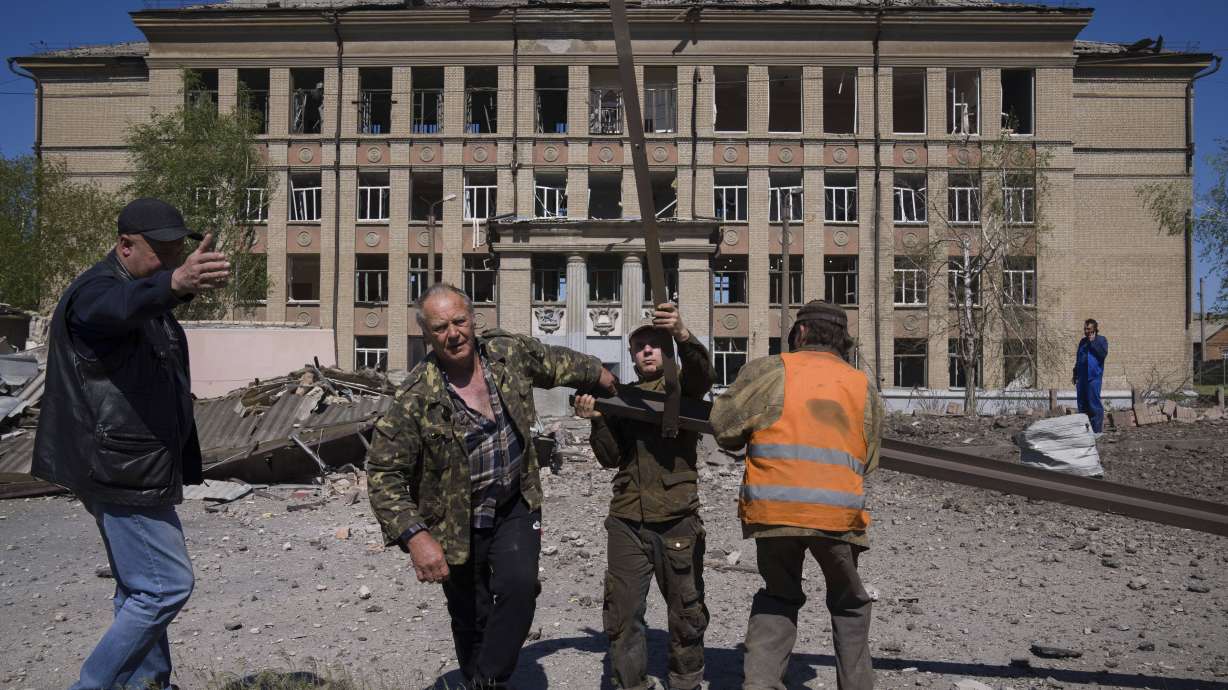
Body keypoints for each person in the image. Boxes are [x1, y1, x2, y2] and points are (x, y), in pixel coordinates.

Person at [366, 283, 617, 689]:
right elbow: (383, 474)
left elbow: (554, 362)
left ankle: (486, 680)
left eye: (459, 321)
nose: (453, 333)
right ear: (426, 334)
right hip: (455, 522)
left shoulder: (506, 355)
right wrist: (416, 537)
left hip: (514, 502)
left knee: (519, 587)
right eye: (440, 327)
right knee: (471, 615)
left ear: (473, 319)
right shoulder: (414, 398)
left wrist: (602, 375)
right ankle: (480, 678)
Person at [32, 197, 230, 690]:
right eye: (161, 251)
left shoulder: (142, 292)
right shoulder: (94, 293)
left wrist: (173, 287)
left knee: (138, 587)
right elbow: (117, 308)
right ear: (124, 245)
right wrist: (175, 283)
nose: (172, 259)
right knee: (165, 586)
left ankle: (148, 683)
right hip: (120, 468)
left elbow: (141, 309)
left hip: (136, 462)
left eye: (177, 250)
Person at [709, 300, 883, 690]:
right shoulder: (862, 385)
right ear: (842, 340)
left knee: (779, 596)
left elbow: (723, 426)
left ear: (801, 332)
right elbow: (869, 458)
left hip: (775, 511)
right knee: (849, 603)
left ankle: (761, 684)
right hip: (838, 515)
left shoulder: (771, 371)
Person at [573, 303, 714, 690]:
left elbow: (703, 373)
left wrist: (683, 334)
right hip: (626, 520)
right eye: (640, 346)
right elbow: (610, 458)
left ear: (667, 351)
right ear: (632, 355)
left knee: (686, 612)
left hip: (677, 518)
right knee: (622, 613)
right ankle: (630, 684)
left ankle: (685, 681)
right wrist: (597, 420)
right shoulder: (622, 398)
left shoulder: (682, 389)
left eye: (655, 344)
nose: (647, 350)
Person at [1072, 318, 1109, 433]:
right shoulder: (1082, 342)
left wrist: (1093, 342)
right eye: (1085, 329)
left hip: (1093, 377)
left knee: (1094, 405)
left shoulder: (1101, 340)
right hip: (1082, 378)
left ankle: (1097, 432)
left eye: (1088, 329)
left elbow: (1103, 354)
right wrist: (1075, 373)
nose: (1086, 331)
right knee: (1082, 405)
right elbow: (1079, 359)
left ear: (1094, 329)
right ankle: (1085, 432)